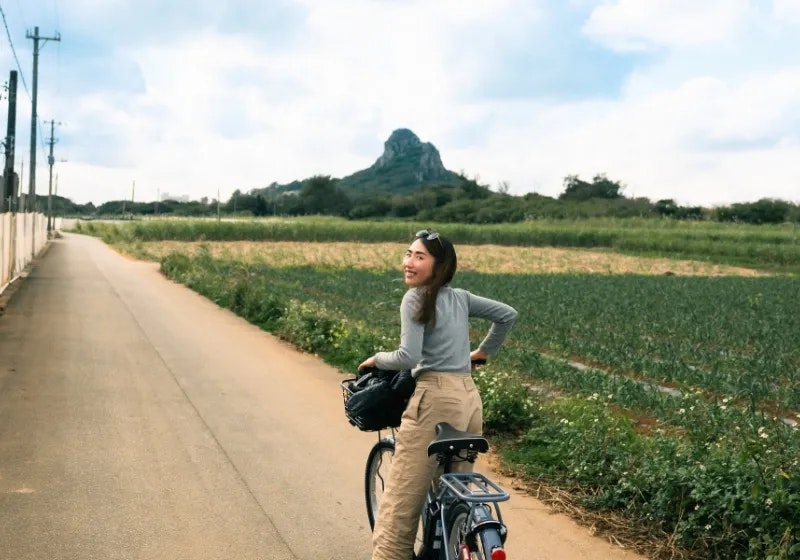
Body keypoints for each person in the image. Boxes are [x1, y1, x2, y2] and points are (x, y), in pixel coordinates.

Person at [358, 229, 517, 560]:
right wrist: (482, 353)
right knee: (453, 497)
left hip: (435, 402)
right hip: (469, 401)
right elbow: (507, 315)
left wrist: (376, 359)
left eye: (419, 256)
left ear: (439, 265)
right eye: (408, 254)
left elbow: (408, 357)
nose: (409, 262)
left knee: (400, 507)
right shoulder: (461, 297)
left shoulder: (415, 298)